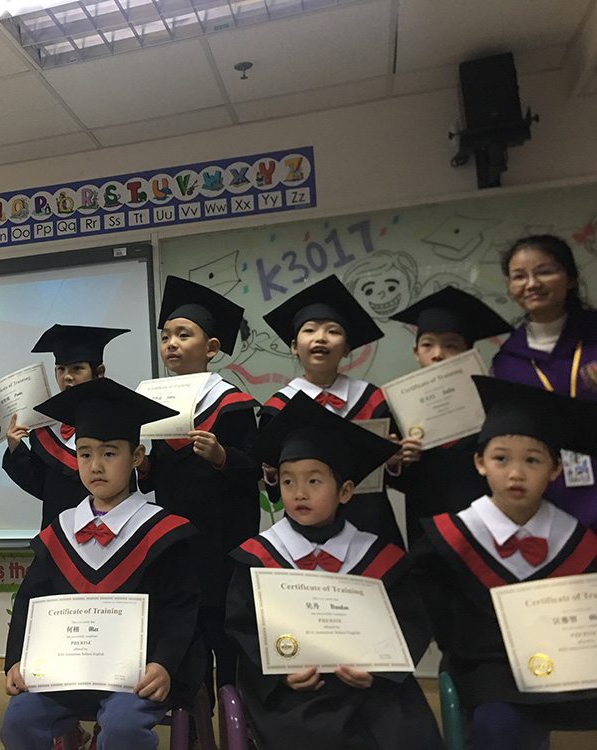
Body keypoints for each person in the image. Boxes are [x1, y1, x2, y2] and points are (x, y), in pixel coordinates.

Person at [226, 392, 442, 749]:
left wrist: (379, 671)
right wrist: (281, 675)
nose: (299, 493)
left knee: (408, 733)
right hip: (296, 692)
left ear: (345, 491)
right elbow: (242, 628)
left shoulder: (377, 557)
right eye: (288, 481)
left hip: (370, 687)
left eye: (314, 481)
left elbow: (410, 623)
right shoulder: (258, 556)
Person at [1, 378, 203, 750]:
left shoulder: (163, 532)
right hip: (66, 675)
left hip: (136, 678)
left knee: (123, 728)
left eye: (109, 454)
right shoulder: (61, 530)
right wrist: (16, 660)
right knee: (18, 721)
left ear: (137, 457)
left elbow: (181, 608)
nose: (95, 466)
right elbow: (29, 601)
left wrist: (163, 665)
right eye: (85, 454)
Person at [411, 376, 597, 750]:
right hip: (491, 674)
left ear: (555, 469)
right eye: (501, 459)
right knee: (499, 724)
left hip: (569, 670)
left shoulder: (578, 540)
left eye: (532, 460)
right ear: (480, 463)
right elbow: (428, 615)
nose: (516, 473)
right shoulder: (449, 538)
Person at [138, 275, 261, 698]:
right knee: (184, 630)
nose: (171, 343)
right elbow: (159, 474)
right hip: (177, 537)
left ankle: (236, 715)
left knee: (223, 632)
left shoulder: (232, 402)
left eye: (183, 334)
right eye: (165, 336)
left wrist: (223, 456)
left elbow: (255, 466)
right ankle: (192, 718)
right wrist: (144, 467)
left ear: (211, 348)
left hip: (222, 539)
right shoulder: (155, 403)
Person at [261, 274, 404, 545]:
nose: (321, 338)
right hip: (306, 527)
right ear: (294, 347)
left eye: (333, 331)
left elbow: (397, 476)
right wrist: (270, 472)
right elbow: (275, 489)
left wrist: (396, 461)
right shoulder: (278, 407)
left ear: (347, 348)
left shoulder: (373, 399)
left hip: (369, 519)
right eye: (310, 330)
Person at [387, 286, 513, 543]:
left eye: (451, 345)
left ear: (468, 353)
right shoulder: (400, 407)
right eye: (427, 345)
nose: (437, 354)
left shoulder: (493, 405)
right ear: (416, 353)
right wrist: (398, 462)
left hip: (485, 522)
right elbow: (402, 483)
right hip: (426, 525)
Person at [491, 234, 597, 530]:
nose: (532, 284)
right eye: (519, 276)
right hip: (548, 491)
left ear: (570, 279)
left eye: (545, 272)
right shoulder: (507, 361)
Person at [3, 324, 128, 529]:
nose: (67, 376)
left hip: (108, 529)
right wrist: (15, 448)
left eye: (77, 368)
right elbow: (39, 485)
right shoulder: (46, 429)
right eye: (61, 369)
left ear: (99, 372)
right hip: (57, 531)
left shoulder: (117, 423)